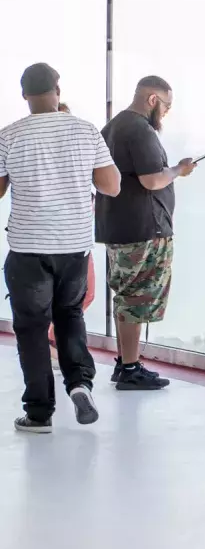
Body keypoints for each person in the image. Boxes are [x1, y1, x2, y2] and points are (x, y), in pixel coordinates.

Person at [0, 63, 120, 433]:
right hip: (73, 247)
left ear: (24, 95)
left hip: (27, 249)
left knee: (32, 329)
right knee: (70, 316)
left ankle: (38, 413)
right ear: (57, 89)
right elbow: (111, 186)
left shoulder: (9, 136)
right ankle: (80, 384)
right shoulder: (85, 131)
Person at [95, 75, 197, 390]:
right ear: (152, 99)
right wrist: (180, 169)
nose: (165, 113)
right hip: (143, 229)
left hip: (118, 225)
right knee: (136, 298)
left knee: (127, 295)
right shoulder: (139, 129)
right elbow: (152, 180)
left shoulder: (111, 127)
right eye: (166, 105)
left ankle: (126, 362)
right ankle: (129, 367)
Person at [47, 102, 97, 370]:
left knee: (82, 295)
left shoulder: (74, 163)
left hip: (77, 241)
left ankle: (54, 343)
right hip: (65, 243)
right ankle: (54, 344)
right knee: (78, 295)